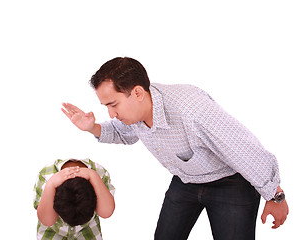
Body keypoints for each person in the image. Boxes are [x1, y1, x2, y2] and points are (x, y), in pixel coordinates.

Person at [61, 57, 289, 240]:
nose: (112, 114)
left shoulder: (192, 111)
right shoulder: (138, 112)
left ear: (138, 92)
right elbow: (124, 133)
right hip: (187, 181)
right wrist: (92, 128)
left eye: (113, 105)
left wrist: (275, 196)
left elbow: (243, 149)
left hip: (229, 182)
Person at [33, 158, 115, 240]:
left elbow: (106, 212)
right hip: (53, 228)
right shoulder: (47, 176)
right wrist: (51, 185)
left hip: (87, 227)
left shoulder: (99, 173)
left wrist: (93, 175)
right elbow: (47, 221)